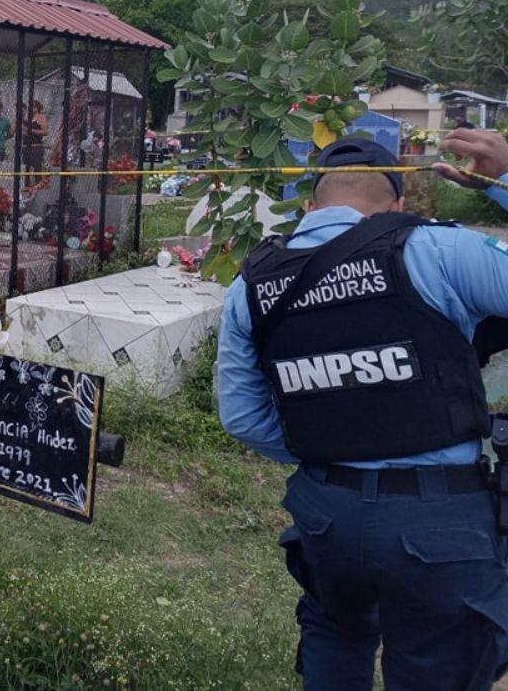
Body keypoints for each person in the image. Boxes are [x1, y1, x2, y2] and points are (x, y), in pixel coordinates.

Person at [217, 131, 508, 690]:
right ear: (397, 205)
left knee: (335, 637)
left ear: (309, 207)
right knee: (439, 664)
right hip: (439, 518)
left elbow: (243, 419)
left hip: (329, 517)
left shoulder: (252, 283)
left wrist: (332, 437)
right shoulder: (438, 249)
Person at [22, 100, 48, 174]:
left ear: (37, 108)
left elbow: (45, 132)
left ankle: (38, 183)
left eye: (33, 107)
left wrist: (31, 130)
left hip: (35, 147)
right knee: (26, 168)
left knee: (36, 168)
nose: (31, 108)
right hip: (25, 146)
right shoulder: (27, 117)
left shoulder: (41, 117)